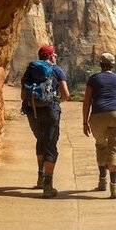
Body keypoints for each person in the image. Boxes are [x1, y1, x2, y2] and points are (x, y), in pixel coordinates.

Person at [21, 45, 70, 198]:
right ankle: (48, 186)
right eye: (53, 53)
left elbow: (23, 95)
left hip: (32, 111)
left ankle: (40, 178)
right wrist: (56, 101)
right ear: (50, 56)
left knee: (40, 140)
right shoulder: (56, 70)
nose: (55, 55)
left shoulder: (31, 69)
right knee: (50, 145)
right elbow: (66, 94)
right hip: (50, 110)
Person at [82, 53, 116, 199]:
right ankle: (114, 188)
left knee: (101, 145)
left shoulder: (94, 79)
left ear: (100, 64)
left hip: (98, 116)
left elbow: (87, 102)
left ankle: (102, 181)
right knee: (115, 150)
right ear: (113, 65)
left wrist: (85, 122)